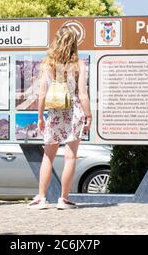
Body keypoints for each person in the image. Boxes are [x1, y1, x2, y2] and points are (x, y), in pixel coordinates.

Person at [28, 26, 92, 210]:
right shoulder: (79, 64)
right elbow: (83, 93)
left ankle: (41, 198)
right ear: (74, 44)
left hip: (55, 112)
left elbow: (41, 92)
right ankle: (63, 199)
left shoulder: (48, 63)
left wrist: (40, 116)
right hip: (74, 111)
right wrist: (89, 115)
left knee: (48, 156)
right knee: (70, 157)